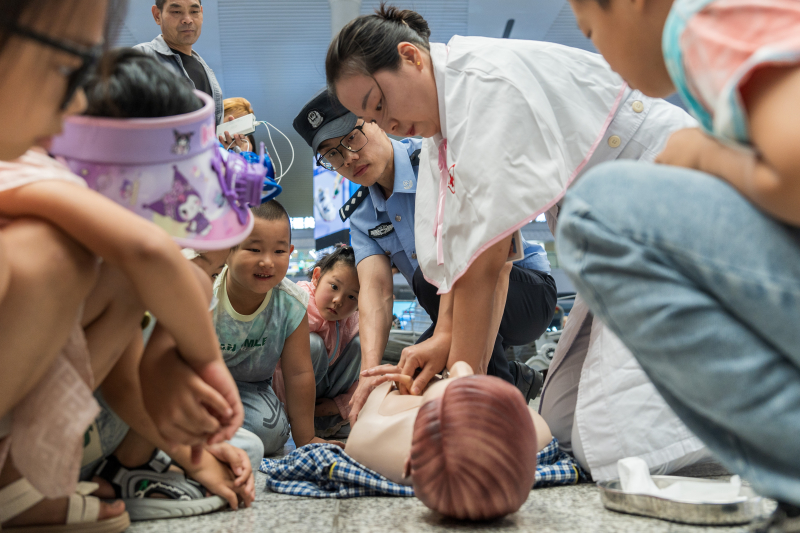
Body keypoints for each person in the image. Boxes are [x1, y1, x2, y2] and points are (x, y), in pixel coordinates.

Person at [326, 5, 714, 481]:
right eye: (371, 116)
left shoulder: (481, 87)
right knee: (564, 423)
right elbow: (461, 256)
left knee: (614, 444)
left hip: (661, 190)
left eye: (380, 104)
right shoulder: (439, 134)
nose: (386, 123)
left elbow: (487, 261)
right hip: (612, 231)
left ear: (411, 57)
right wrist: (446, 341)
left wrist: (460, 381)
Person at [555, 0, 800, 529]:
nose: (601, 55)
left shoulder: (705, 19)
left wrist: (703, 155)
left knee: (598, 214)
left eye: (592, 31)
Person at [0, 2, 242, 531]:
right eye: (66, 66)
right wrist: (207, 364)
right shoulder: (32, 170)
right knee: (58, 256)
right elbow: (149, 253)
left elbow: (122, 375)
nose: (74, 100)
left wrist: (196, 453)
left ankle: (17, 485)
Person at [69, 49, 255, 521]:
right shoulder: (78, 250)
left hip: (81, 422)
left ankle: (113, 472)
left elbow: (123, 379)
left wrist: (197, 452)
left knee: (246, 444)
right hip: (40, 429)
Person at [293, 89, 554, 426]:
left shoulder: (437, 162)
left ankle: (495, 414)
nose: (348, 158)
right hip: (452, 305)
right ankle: (514, 379)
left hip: (524, 294)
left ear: (376, 120)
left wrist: (465, 362)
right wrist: (369, 376)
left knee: (429, 278)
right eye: (332, 154)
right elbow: (376, 293)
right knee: (412, 375)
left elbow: (491, 264)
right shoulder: (362, 214)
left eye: (352, 138)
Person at [213, 200, 343, 455]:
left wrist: (306, 438)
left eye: (279, 251)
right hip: (200, 382)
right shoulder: (207, 289)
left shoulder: (292, 303)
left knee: (273, 434)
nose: (267, 262)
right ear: (228, 248)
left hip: (251, 388)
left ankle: (207, 435)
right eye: (254, 249)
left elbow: (298, 374)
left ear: (290, 252)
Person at [345, 362, 549, 520]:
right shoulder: (539, 430)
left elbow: (461, 366)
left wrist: (425, 384)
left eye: (446, 381)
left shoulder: (367, 436)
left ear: (409, 463)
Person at [134, 0, 223, 125]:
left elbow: (210, 131)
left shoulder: (206, 70)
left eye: (194, 11)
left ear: (201, 13)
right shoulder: (141, 59)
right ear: (157, 15)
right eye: (176, 11)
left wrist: (225, 137)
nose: (188, 20)